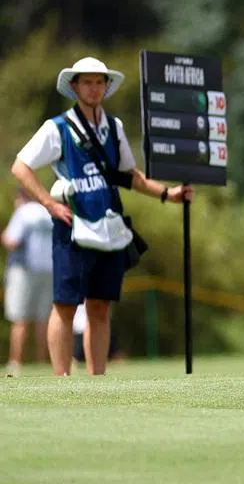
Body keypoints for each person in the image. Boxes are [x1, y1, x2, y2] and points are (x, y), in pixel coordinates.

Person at [9, 56, 193, 376]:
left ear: (106, 87)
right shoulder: (58, 128)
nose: (94, 88)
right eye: (87, 82)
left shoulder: (114, 127)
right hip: (72, 224)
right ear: (75, 86)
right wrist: (48, 204)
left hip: (109, 226)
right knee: (65, 305)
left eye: (99, 82)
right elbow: (20, 167)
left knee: (100, 304)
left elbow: (130, 176)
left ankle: (98, 379)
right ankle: (62, 379)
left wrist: (168, 194)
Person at [3, 187, 54, 375]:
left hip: (24, 270)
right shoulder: (47, 213)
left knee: (20, 319)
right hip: (48, 270)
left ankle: (15, 362)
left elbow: (12, 241)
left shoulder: (22, 213)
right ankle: (42, 362)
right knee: (43, 319)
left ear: (21, 197)